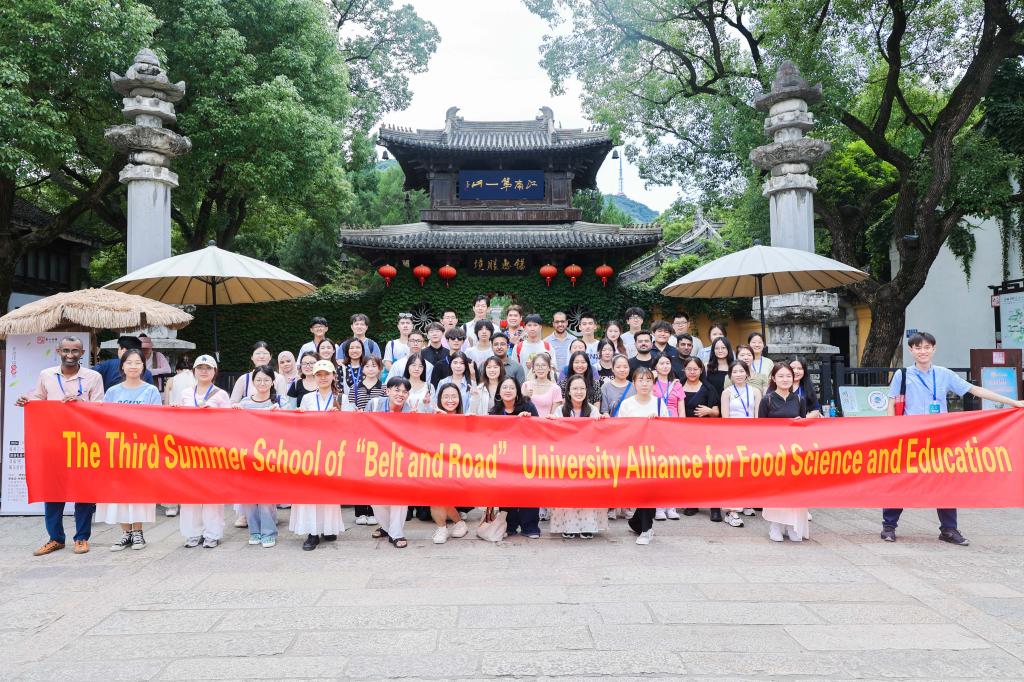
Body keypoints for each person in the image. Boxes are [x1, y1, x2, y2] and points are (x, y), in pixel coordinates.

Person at [881, 331, 1024, 546]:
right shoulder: (902, 375)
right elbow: (891, 403)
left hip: (940, 437)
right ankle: (889, 527)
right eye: (918, 348)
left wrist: (1012, 402)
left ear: (934, 349)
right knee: (901, 479)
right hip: (910, 437)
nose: (922, 351)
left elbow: (974, 389)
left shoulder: (944, 374)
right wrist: (890, 431)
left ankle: (948, 529)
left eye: (927, 347)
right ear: (911, 350)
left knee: (945, 482)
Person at [16, 337, 104, 556]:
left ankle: (81, 538)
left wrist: (81, 404)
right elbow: (39, 399)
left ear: (82, 353)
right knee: (52, 489)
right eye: (65, 350)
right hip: (53, 441)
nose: (70, 355)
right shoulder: (46, 374)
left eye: (75, 351)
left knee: (84, 491)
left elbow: (100, 408)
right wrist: (27, 401)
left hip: (83, 443)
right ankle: (55, 538)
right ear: (58, 351)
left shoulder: (93, 377)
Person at [95, 349, 160, 551]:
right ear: (122, 366)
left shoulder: (151, 391)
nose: (133, 366)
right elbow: (104, 419)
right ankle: (125, 533)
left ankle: (138, 532)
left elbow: (158, 420)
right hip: (117, 449)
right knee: (119, 491)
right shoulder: (112, 392)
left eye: (138, 362)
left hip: (141, 449)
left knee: (138, 491)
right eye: (129, 362)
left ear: (143, 366)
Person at [174, 354, 231, 548]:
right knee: (190, 492)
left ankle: (212, 533)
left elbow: (230, 422)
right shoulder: (186, 393)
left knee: (211, 493)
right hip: (189, 450)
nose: (204, 371)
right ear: (194, 371)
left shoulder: (221, 394)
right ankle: (192, 533)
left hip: (213, 451)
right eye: (200, 368)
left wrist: (214, 414)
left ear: (215, 372)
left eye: (208, 368)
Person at [293, 360, 346, 548]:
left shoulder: (341, 398)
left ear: (333, 376)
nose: (323, 378)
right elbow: (300, 427)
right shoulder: (307, 398)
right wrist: (299, 416)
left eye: (326, 374)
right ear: (314, 377)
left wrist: (339, 416)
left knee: (329, 491)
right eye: (319, 374)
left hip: (332, 451)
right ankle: (312, 532)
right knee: (311, 491)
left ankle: (328, 527)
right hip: (310, 451)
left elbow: (350, 426)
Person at [549, 375, 608, 539]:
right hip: (566, 460)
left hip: (588, 460)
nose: (579, 392)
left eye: (582, 388)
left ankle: (588, 526)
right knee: (568, 492)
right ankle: (568, 526)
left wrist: (602, 421)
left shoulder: (593, 410)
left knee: (587, 492)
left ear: (587, 391)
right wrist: (552, 421)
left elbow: (600, 434)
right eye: (575, 388)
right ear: (568, 392)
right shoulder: (560, 411)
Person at [759, 362, 809, 541]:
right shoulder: (767, 400)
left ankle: (792, 526)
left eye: (788, 376)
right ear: (773, 378)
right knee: (777, 489)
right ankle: (775, 526)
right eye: (780, 376)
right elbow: (760, 428)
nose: (785, 379)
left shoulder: (799, 400)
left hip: (794, 452)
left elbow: (803, 426)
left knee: (794, 489)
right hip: (774, 452)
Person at [366, 377, 415, 548]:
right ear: (387, 391)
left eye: (405, 392)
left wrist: (416, 419)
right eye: (397, 390)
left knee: (399, 496)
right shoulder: (374, 404)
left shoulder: (412, 409)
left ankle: (396, 533)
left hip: (401, 460)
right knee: (376, 498)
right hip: (376, 458)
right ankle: (387, 527)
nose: (401, 394)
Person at [491, 376, 540, 537]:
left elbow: (538, 429)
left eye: (512, 387)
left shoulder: (528, 405)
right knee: (506, 492)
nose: (508, 390)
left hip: (526, 458)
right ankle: (509, 525)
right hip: (504, 459)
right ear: (499, 392)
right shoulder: (494, 411)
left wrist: (528, 420)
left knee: (529, 492)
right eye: (504, 387)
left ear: (517, 391)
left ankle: (530, 527)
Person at [618, 367, 662, 544]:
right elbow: (620, 430)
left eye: (648, 380)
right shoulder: (627, 404)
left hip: (654, 455)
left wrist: (657, 423)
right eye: (641, 380)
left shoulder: (659, 403)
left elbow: (668, 430)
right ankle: (638, 523)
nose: (645, 384)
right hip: (634, 454)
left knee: (649, 492)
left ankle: (645, 529)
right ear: (634, 383)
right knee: (641, 492)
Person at [720, 359, 762, 526]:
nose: (738, 374)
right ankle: (731, 511)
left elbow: (757, 415)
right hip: (733, 436)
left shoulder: (755, 391)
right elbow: (725, 417)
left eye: (741, 371)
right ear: (730, 375)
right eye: (735, 372)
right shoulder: (727, 392)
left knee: (749, 471)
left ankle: (746, 502)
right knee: (733, 472)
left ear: (747, 373)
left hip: (751, 435)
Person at [429, 384, 472, 543]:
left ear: (459, 399)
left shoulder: (466, 418)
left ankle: (456, 524)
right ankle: (444, 528)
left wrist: (471, 421)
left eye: (454, 396)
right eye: (446, 397)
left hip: (458, 468)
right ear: (439, 399)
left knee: (441, 498)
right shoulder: (433, 417)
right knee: (436, 497)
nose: (450, 400)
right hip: (436, 466)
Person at [652, 354, 686, 522]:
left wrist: (682, 429)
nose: (665, 366)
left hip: (673, 427)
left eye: (667, 363)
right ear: (655, 366)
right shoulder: (651, 383)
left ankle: (671, 506)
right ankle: (658, 506)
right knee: (658, 467)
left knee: (672, 468)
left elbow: (681, 408)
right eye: (661, 363)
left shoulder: (677, 384)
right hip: (657, 428)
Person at [522, 352, 563, 417]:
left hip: (546, 422)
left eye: (544, 365)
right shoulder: (526, 385)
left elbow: (555, 415)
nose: (540, 368)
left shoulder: (555, 388)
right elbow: (519, 409)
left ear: (549, 368)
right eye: (537, 365)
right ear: (533, 368)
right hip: (528, 422)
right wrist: (524, 397)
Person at [339, 337, 367, 409]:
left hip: (365, 407)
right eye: (351, 348)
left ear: (362, 350)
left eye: (358, 347)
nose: (355, 350)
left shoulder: (367, 367)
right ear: (347, 351)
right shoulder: (341, 368)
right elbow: (339, 390)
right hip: (346, 407)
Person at [420, 322, 451, 387]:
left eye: (437, 331)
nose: (434, 334)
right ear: (427, 336)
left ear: (443, 334)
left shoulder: (449, 353)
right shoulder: (421, 353)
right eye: (431, 332)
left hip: (446, 387)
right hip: (427, 386)